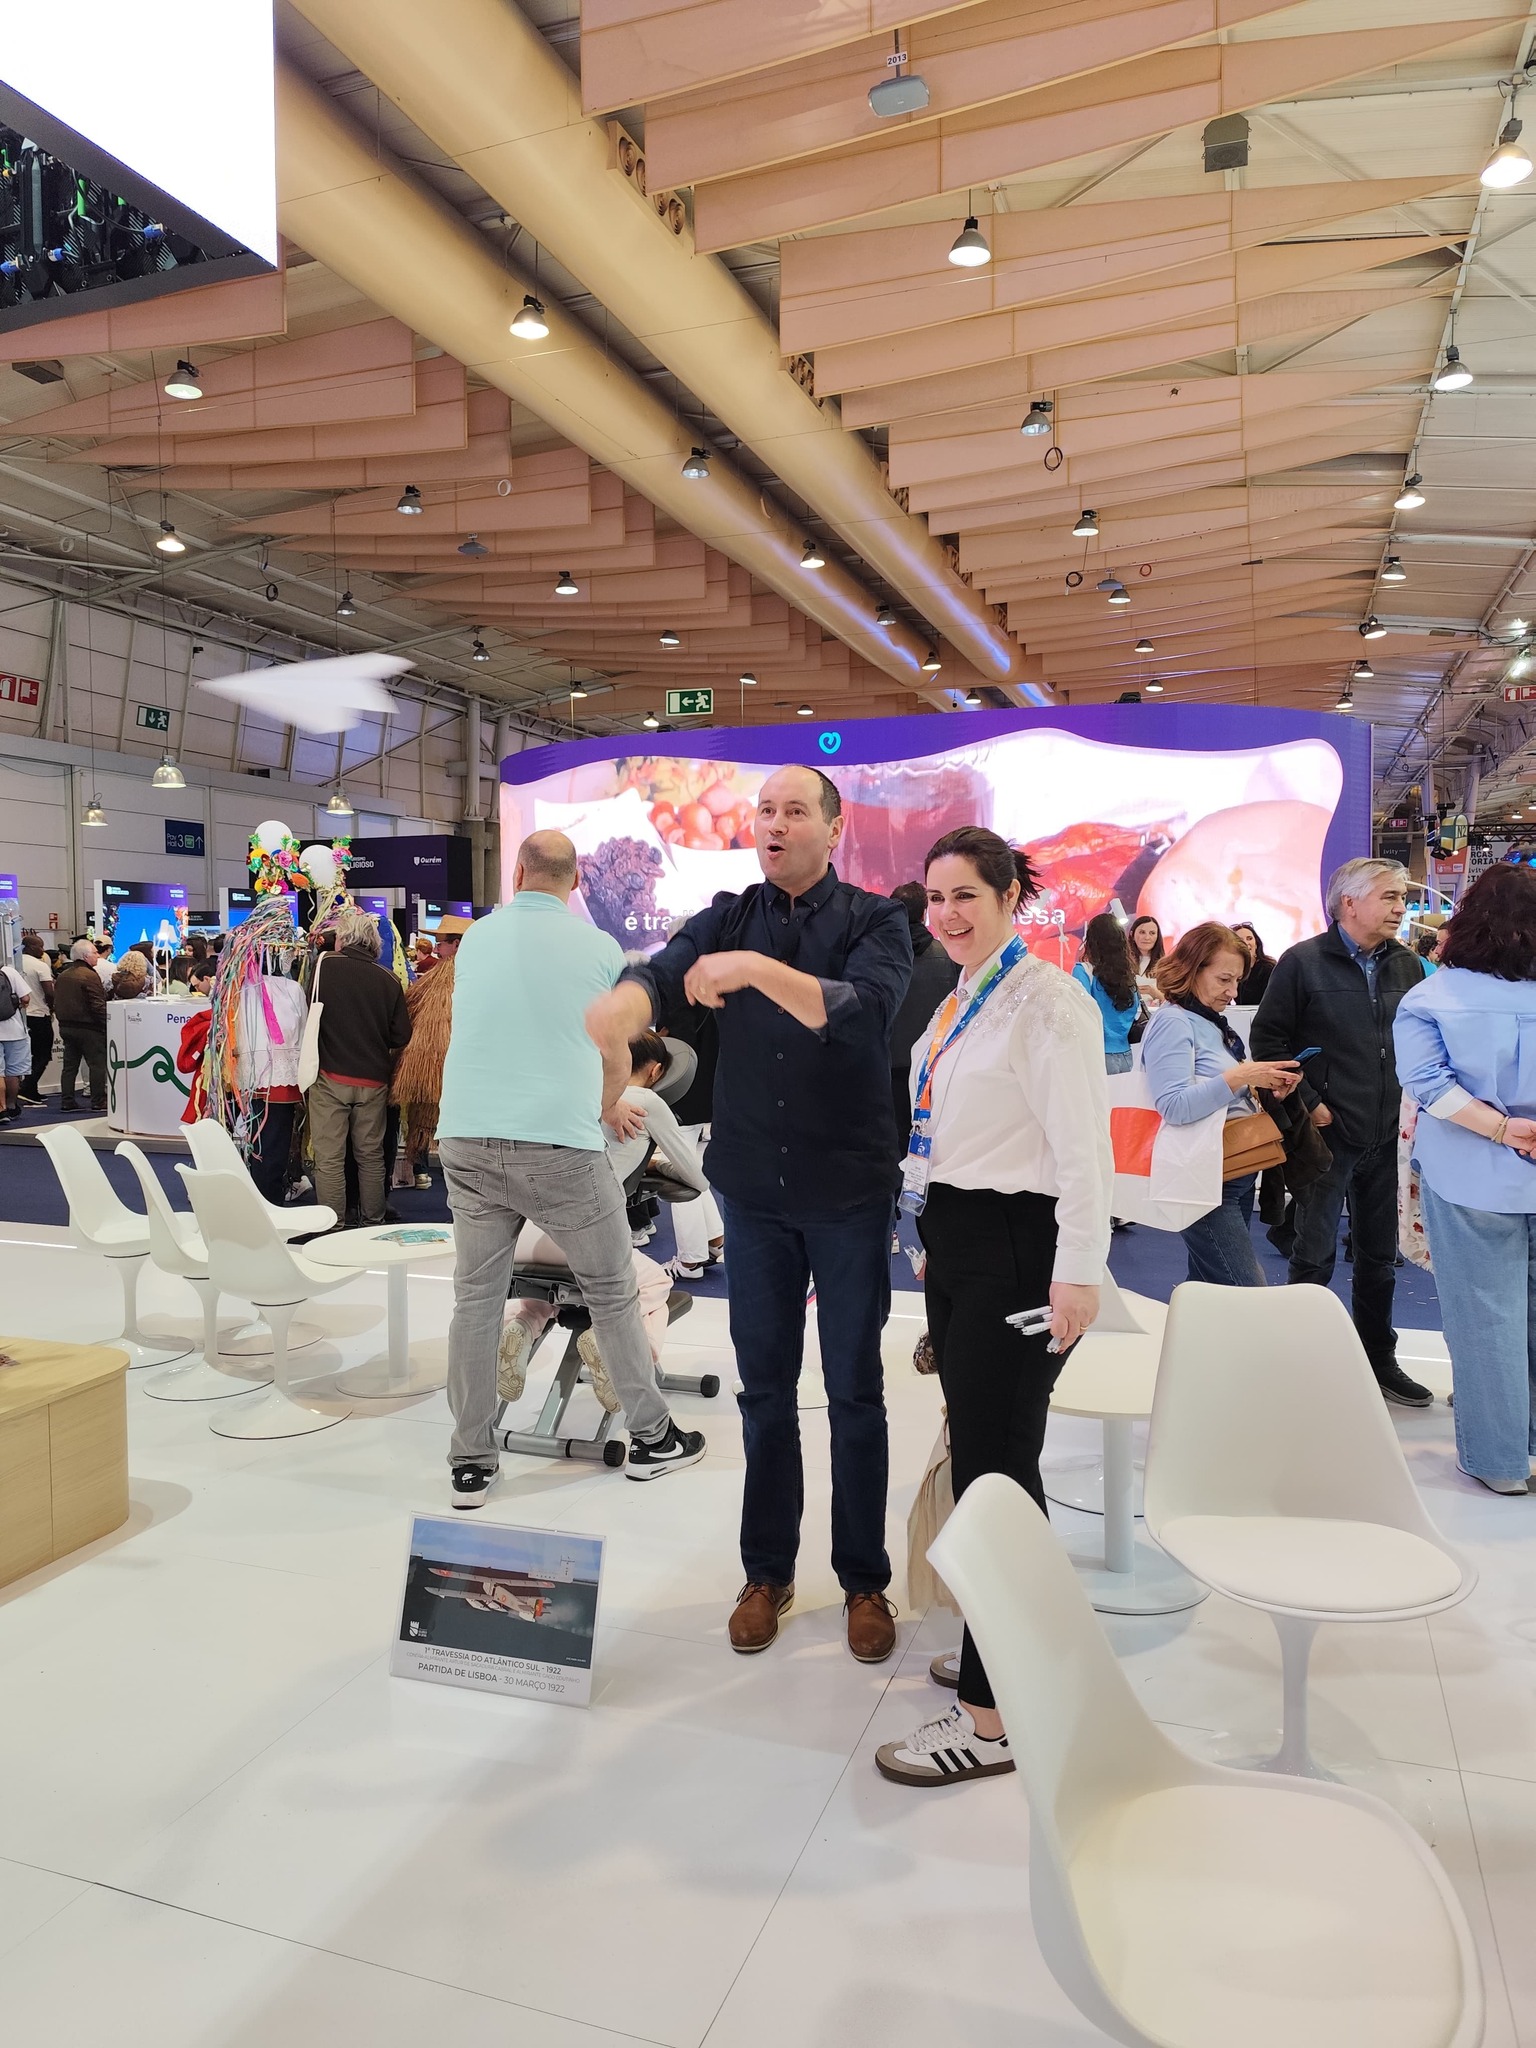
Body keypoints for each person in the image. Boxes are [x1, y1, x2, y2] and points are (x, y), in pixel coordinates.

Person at [587, 765, 913, 1662]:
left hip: (847, 1192)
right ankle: (766, 1573)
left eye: (794, 810)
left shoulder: (876, 921)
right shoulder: (728, 915)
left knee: (854, 1391)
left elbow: (863, 1013)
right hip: (757, 1197)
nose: (774, 824)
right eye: (764, 810)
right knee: (765, 1392)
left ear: (834, 829)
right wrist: (619, 1011)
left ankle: (864, 1579)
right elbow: (665, 973)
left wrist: (756, 971)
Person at [875, 827, 1113, 1788]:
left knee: (998, 1473)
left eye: (967, 895)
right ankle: (1011, 1655)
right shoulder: (965, 994)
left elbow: (1082, 1149)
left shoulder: (1045, 1000)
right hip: (965, 1244)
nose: (947, 914)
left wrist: (1078, 1273)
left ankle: (991, 1719)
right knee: (986, 1458)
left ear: (1012, 895)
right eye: (936, 898)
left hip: (1020, 1253)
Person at [438, 829, 704, 1506]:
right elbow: (615, 1054)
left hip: (466, 1137)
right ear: (578, 881)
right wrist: (607, 1104)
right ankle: (652, 1438)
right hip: (556, 1143)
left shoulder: (478, 938)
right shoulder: (600, 948)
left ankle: (471, 1462)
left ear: (517, 872)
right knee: (612, 1290)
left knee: (476, 1299)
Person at [1252, 857, 1432, 1406]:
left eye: (1402, 897)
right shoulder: (1302, 963)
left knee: (1379, 1258)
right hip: (1328, 1136)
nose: (1401, 907)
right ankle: (1300, 1364)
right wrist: (1311, 1104)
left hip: (1389, 1134)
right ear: (1349, 903)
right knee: (1313, 1254)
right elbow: (1269, 1040)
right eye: (1390, 896)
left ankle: (1377, 1359)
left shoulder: (1407, 964)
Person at [1394, 865, 1536, 1493]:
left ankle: (1500, 1462)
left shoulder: (1432, 996)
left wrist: (1503, 1130)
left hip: (1470, 1175)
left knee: (1486, 1319)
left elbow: (1430, 1086)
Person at [497, 1030, 710, 1408]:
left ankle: (520, 1326)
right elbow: (696, 1177)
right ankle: (615, 1351)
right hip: (583, 1240)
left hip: (524, 1239)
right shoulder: (647, 1101)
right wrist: (657, 1164)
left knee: (547, 1296)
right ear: (656, 1071)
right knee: (654, 1284)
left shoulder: (578, 1096)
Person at [1140, 922, 1303, 1286]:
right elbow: (1174, 1106)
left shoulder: (1205, 1020)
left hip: (1232, 1170)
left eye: (1237, 981)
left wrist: (1259, 1085)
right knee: (1245, 1290)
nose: (1232, 993)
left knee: (1211, 1290)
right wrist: (1241, 1076)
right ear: (1191, 969)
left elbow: (1214, 1090)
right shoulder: (1174, 1022)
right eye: (1224, 980)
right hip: (1205, 1176)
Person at [307, 907, 412, 1230]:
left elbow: (308, 1010)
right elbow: (402, 1035)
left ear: (343, 939)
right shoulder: (389, 980)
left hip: (330, 1077)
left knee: (329, 1158)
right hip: (374, 1081)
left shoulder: (324, 966)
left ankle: (333, 1225)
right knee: (371, 1157)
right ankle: (372, 1221)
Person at [887, 878, 960, 1146]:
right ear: (924, 913)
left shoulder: (877, 956)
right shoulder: (950, 956)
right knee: (934, 1138)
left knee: (895, 1142)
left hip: (889, 1066)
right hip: (935, 1065)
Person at [1071, 911, 1140, 1073]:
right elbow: (1134, 1009)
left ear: (1091, 940)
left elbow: (1080, 1013)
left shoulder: (1083, 972)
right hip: (1127, 1056)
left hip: (1097, 1054)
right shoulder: (1127, 975)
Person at [53, 939, 109, 1113]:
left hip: (66, 1027)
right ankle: (98, 1100)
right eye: (94, 952)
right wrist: (107, 1024)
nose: (97, 955)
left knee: (69, 1066)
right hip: (88, 1028)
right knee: (97, 1064)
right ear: (85, 956)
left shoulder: (63, 975)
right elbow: (97, 1005)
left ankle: (67, 1101)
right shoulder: (90, 975)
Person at [17, 933, 54, 1106]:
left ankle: (30, 1089)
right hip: (39, 1014)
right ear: (31, 947)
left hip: (20, 1016)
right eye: (40, 946)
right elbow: (49, 992)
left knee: (28, 1055)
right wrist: (52, 1007)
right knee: (43, 1055)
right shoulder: (40, 966)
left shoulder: (14, 964)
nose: (43, 950)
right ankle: (27, 1087)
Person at [0, 954, 31, 1121]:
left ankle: (1, 1109)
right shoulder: (9, 972)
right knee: (13, 1072)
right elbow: (26, 998)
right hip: (15, 1031)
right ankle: (12, 1105)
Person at [1232, 921, 1275, 1006]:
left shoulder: (1268, 968)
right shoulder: (1231, 969)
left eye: (1249, 938)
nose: (1246, 943)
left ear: (1256, 944)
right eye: (1240, 940)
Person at [1128, 913, 1164, 1000]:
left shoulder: (1165, 965)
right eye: (1142, 932)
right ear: (1132, 934)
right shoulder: (1123, 962)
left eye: (1152, 933)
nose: (1147, 937)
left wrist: (1154, 993)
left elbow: (1172, 1000)